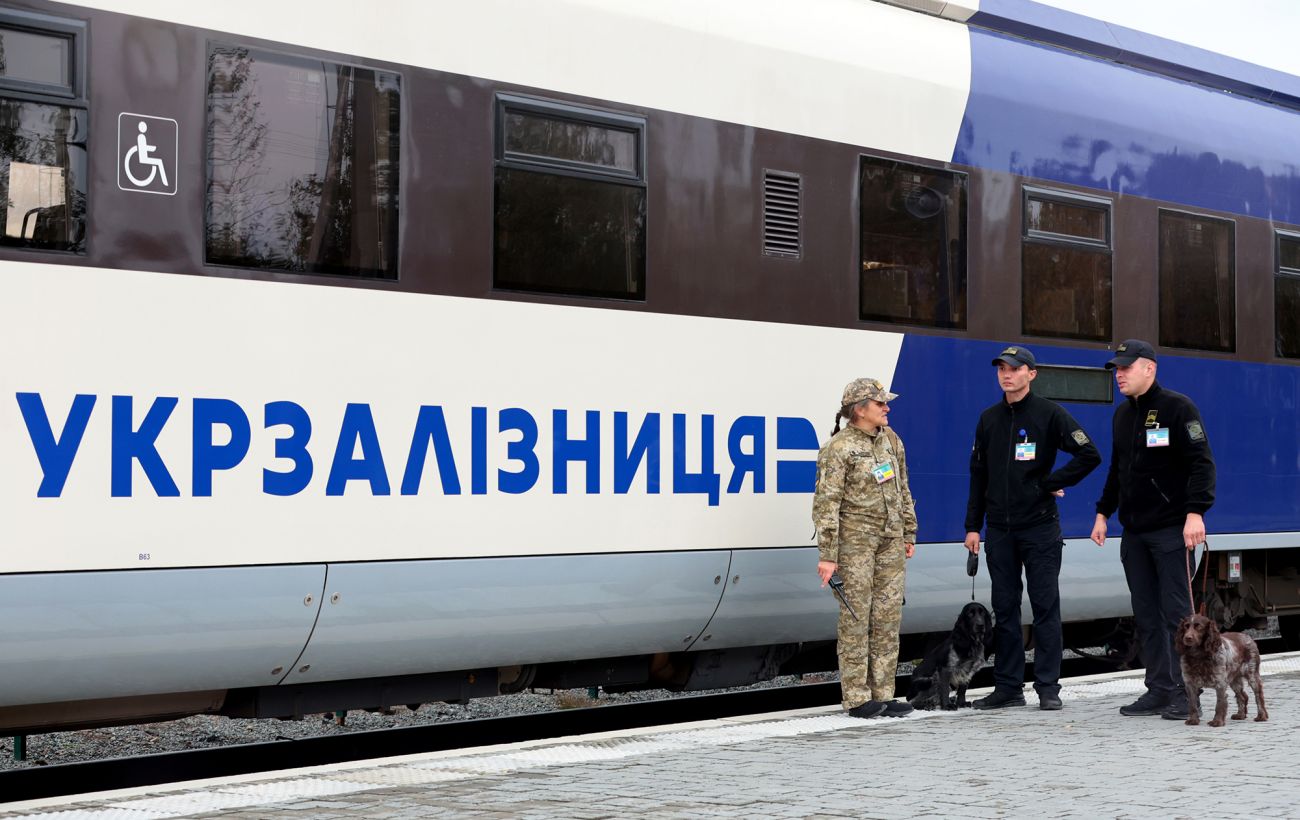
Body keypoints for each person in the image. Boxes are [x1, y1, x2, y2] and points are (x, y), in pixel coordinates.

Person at [964, 345, 1100, 710]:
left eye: (1014, 368)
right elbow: (978, 475)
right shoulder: (988, 419)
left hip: (1039, 528)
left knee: (1044, 607)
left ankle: (1048, 688)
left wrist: (1047, 481)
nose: (1006, 375)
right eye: (1001, 370)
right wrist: (972, 527)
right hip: (999, 531)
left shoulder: (1049, 414)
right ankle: (1008, 687)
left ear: (1031, 374)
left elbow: (1090, 454)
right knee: (1004, 609)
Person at [1090, 339, 1215, 721]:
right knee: (1145, 614)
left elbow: (1201, 464)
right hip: (1135, 532)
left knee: (1179, 616)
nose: (1120, 374)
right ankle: (1159, 690)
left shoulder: (1179, 408)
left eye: (1127, 367)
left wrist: (1195, 512)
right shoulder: (1122, 416)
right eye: (1116, 369)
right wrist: (1103, 512)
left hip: (1171, 530)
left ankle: (1186, 693)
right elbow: (1118, 470)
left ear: (1150, 368)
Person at [813, 377, 918, 719]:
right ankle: (857, 697)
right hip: (854, 543)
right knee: (856, 618)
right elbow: (826, 503)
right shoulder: (838, 449)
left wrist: (908, 531)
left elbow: (902, 486)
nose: (887, 408)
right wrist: (828, 554)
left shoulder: (891, 440)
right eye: (880, 404)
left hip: (890, 539)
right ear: (860, 410)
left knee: (888, 616)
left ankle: (884, 693)